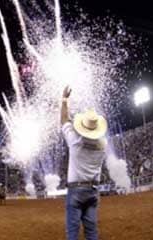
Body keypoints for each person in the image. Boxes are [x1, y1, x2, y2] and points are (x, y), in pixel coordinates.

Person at [60, 86, 107, 240]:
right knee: (92, 232)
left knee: (72, 232)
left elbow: (64, 121)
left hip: (76, 190)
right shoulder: (103, 144)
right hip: (93, 189)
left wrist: (65, 100)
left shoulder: (75, 141)